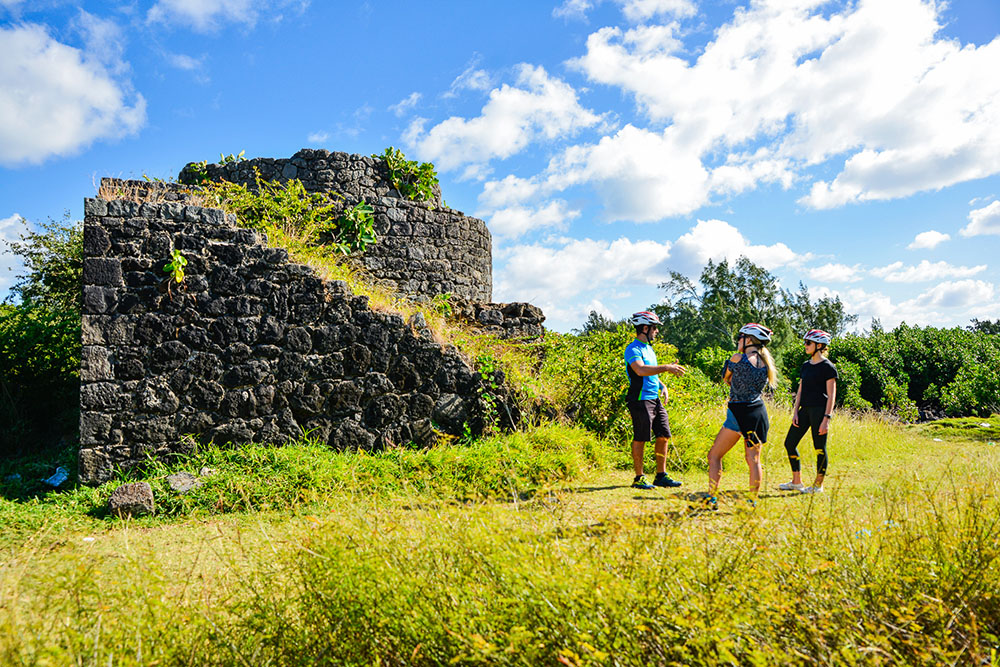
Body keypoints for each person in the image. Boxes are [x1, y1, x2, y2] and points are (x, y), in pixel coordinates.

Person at [703, 323, 778, 510]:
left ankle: (712, 498)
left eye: (740, 338)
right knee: (753, 460)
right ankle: (752, 502)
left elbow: (725, 377)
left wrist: (732, 380)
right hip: (758, 413)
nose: (738, 341)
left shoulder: (737, 358)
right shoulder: (765, 364)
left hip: (738, 413)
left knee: (714, 456)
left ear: (749, 340)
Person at [624, 311, 686, 490]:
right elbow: (640, 370)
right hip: (640, 399)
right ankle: (639, 478)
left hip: (654, 398)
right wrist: (666, 367)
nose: (656, 331)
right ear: (645, 328)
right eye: (654, 327)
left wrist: (661, 385)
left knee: (664, 435)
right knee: (641, 438)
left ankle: (661, 476)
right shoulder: (633, 349)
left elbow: (650, 373)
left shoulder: (649, 349)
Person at [779, 329, 838, 494]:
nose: (805, 345)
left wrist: (827, 418)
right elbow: (800, 390)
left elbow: (832, 395)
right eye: (805, 342)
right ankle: (796, 481)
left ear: (819, 345)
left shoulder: (828, 367)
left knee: (819, 448)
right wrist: (795, 411)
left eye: (808, 343)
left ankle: (818, 486)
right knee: (789, 443)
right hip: (804, 410)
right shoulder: (806, 366)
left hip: (820, 412)